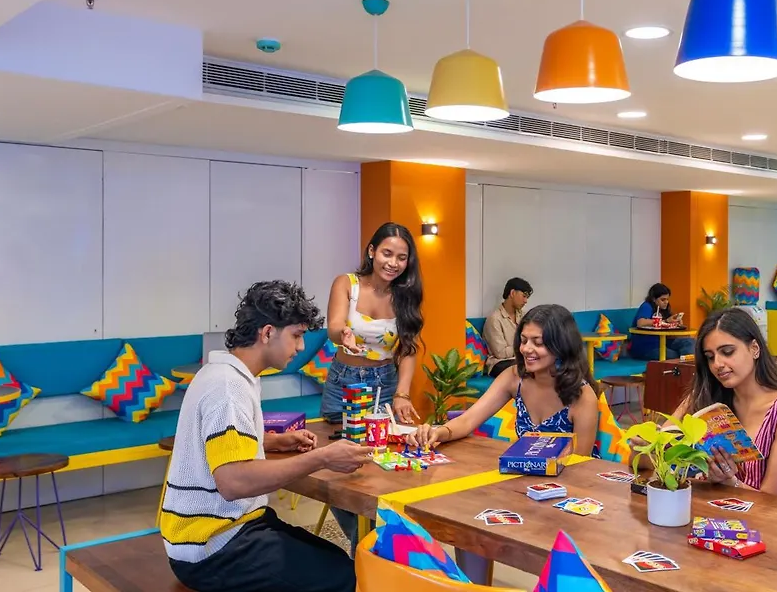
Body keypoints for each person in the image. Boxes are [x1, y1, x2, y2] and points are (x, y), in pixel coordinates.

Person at [161, 281, 373, 592]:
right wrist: (323, 458)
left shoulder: (223, 373)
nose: (300, 347)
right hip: (211, 548)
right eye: (296, 335)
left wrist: (271, 441)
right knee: (347, 578)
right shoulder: (228, 387)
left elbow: (217, 447)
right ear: (268, 333)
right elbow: (233, 482)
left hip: (219, 532)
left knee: (338, 559)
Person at [321, 222, 424, 545]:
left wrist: (403, 394)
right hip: (343, 383)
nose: (393, 263)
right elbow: (334, 325)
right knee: (334, 465)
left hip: (384, 384)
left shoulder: (406, 295)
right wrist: (343, 334)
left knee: (379, 465)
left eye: (401, 257)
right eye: (387, 254)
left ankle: (375, 542)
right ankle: (363, 541)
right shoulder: (346, 283)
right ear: (371, 251)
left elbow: (409, 349)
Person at [671, 308, 777, 500]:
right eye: (710, 357)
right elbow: (661, 445)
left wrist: (730, 483)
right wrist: (644, 446)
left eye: (727, 352)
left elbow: (772, 501)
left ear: (754, 349)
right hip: (724, 511)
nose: (717, 364)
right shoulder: (704, 396)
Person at [409, 304, 599, 456]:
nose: (526, 349)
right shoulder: (514, 377)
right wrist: (437, 432)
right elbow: (468, 420)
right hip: (525, 476)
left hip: (570, 484)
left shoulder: (583, 396)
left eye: (538, 343)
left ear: (561, 346)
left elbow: (579, 463)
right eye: (523, 341)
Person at [482, 277, 533, 377]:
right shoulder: (494, 319)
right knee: (524, 367)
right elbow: (501, 353)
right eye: (524, 296)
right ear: (512, 293)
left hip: (520, 358)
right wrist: (524, 347)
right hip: (500, 363)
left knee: (543, 362)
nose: (526, 301)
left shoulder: (524, 316)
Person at [629, 283, 694, 360]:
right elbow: (640, 323)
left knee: (690, 341)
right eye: (663, 299)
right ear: (654, 299)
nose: (666, 302)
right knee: (675, 355)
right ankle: (684, 364)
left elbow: (668, 334)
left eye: (667, 299)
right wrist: (665, 321)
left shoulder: (664, 309)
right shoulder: (647, 306)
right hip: (646, 347)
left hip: (662, 342)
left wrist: (675, 325)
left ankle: (688, 365)